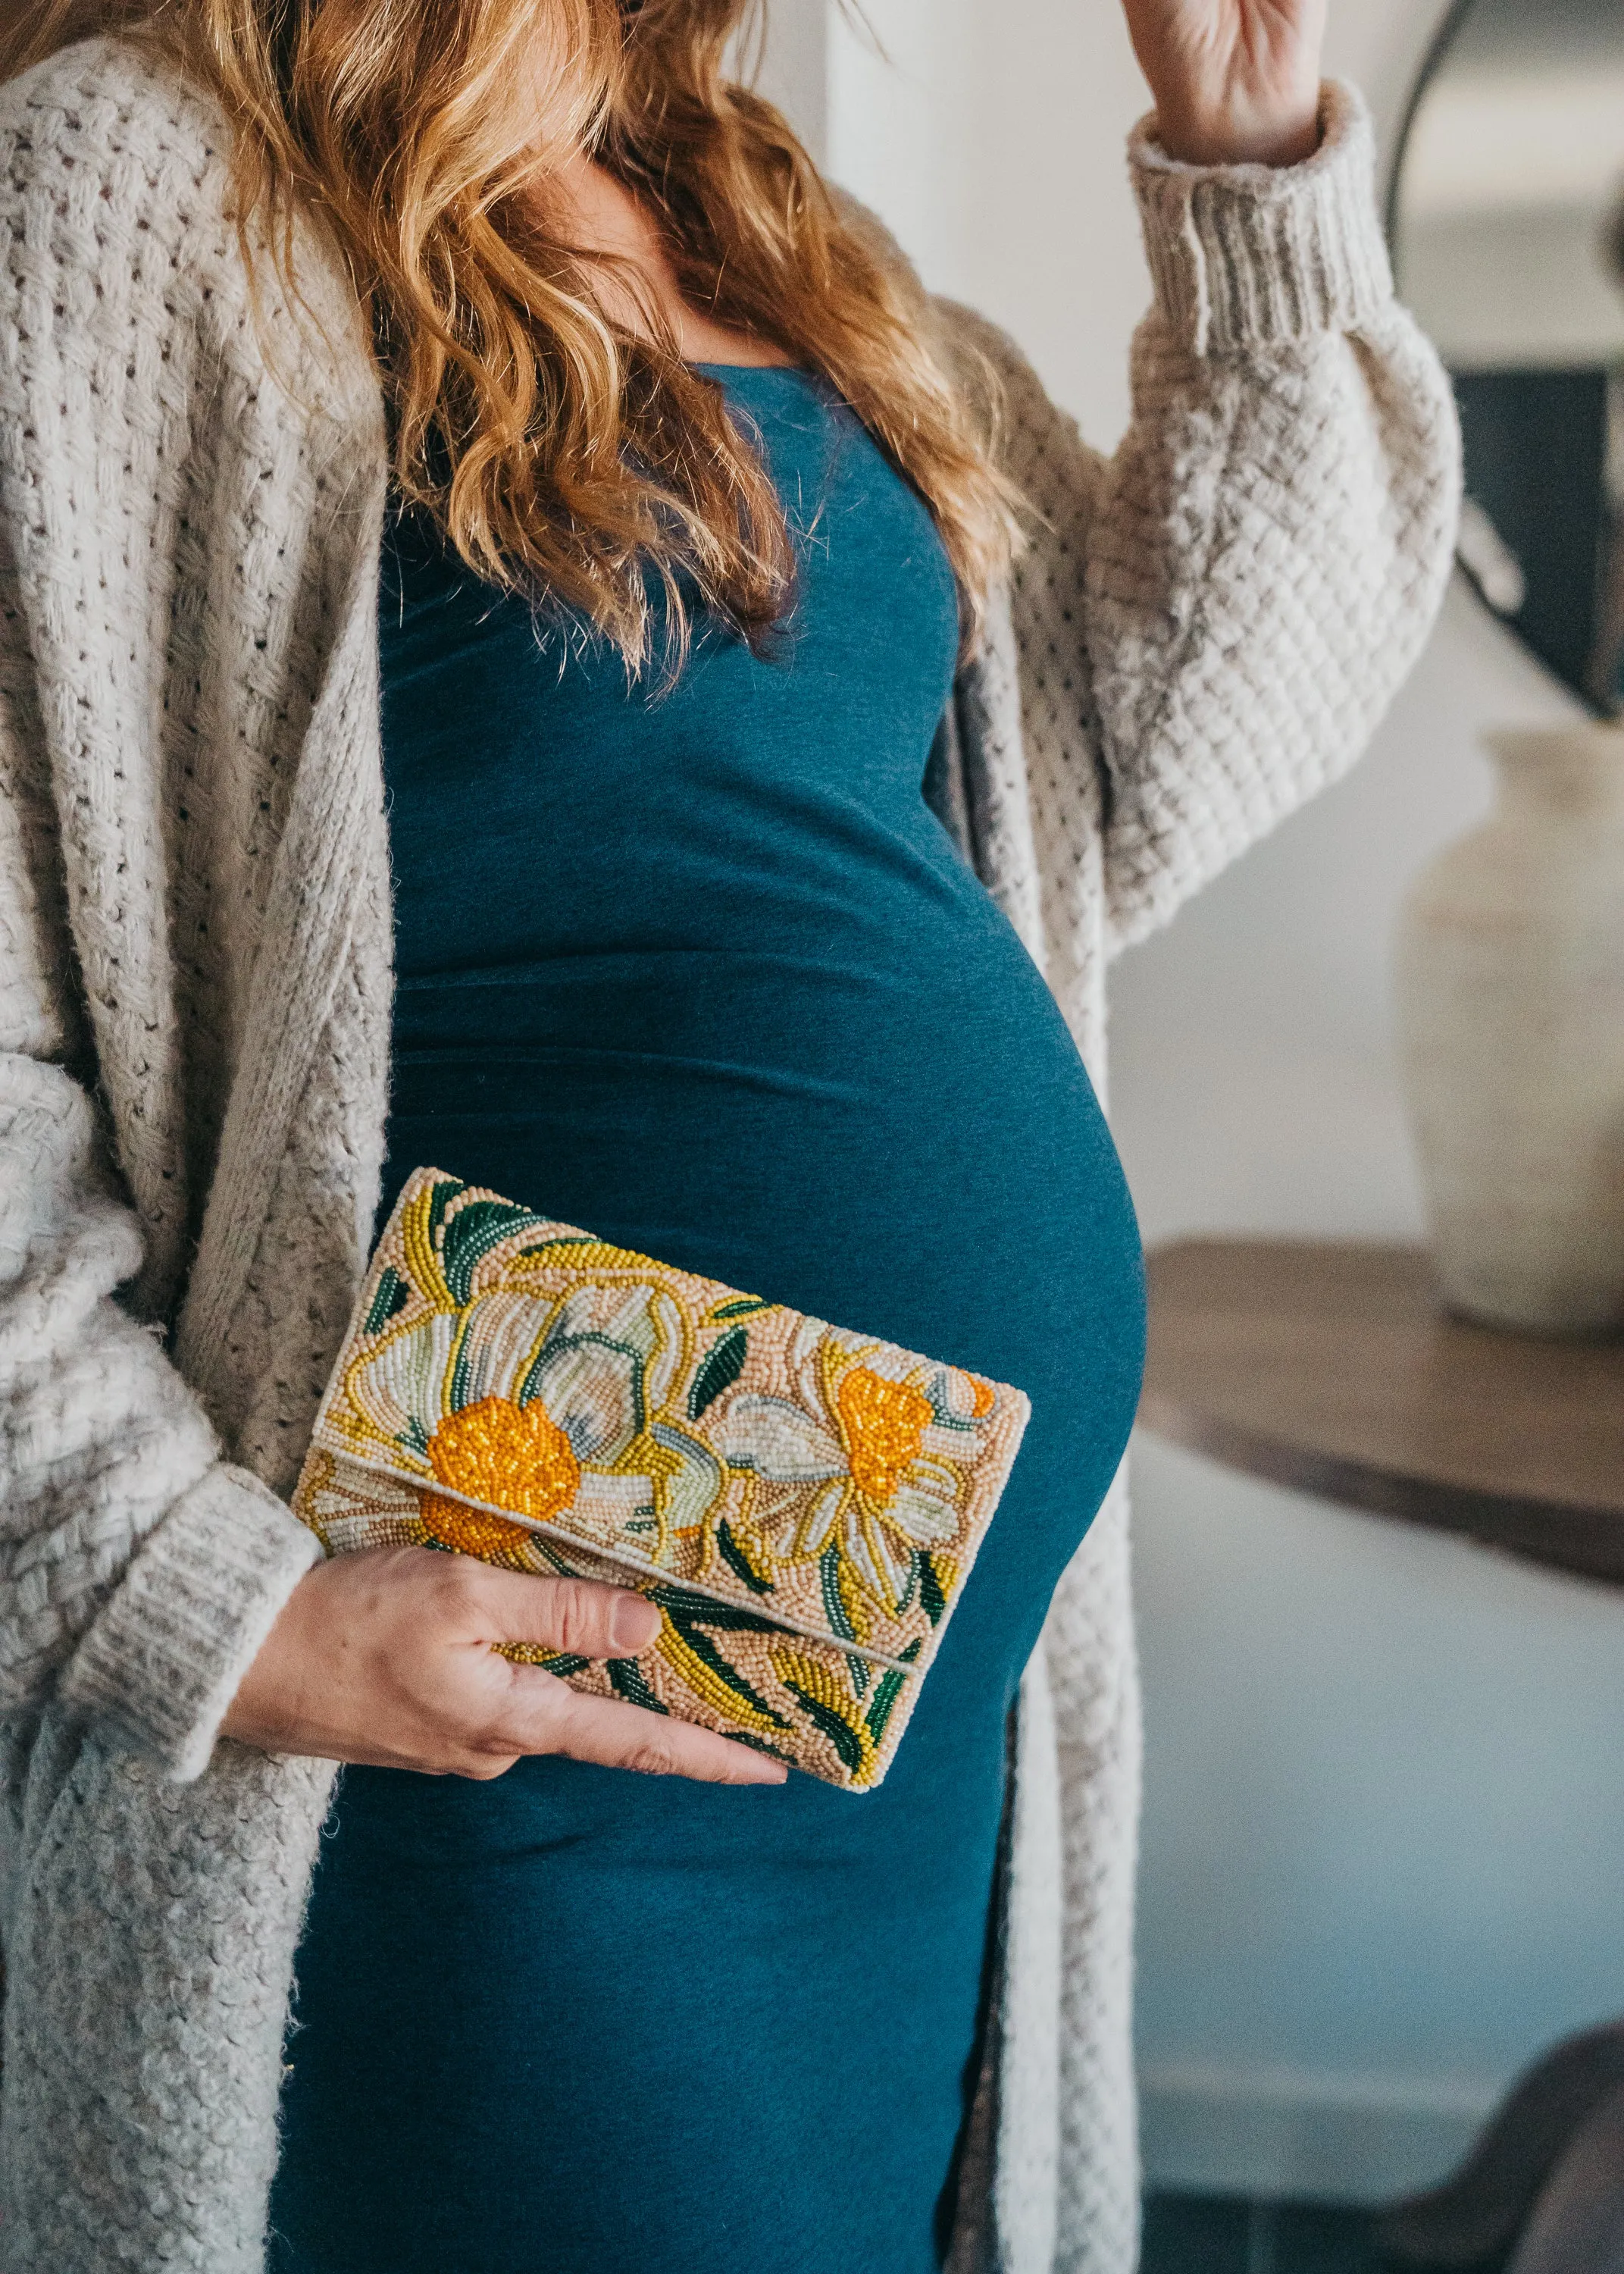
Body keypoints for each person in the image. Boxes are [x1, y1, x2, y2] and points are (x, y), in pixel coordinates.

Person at [0, 0, 1457, 2267]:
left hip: (863, 1673)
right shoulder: (135, 181)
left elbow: (1151, 748)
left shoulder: (765, 211)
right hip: (457, 1700)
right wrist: (215, 1608)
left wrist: (1247, 142)